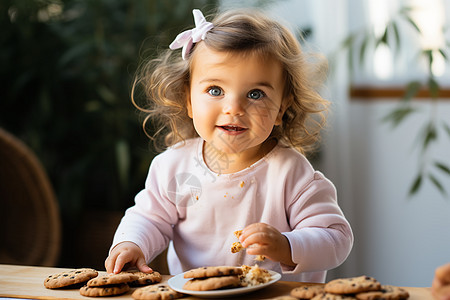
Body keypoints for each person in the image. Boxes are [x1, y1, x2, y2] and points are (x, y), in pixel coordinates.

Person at [105, 8, 353, 283]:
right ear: (188, 99)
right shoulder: (176, 167)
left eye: (255, 94)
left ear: (282, 107)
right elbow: (150, 218)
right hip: (198, 293)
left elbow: (336, 239)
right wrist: (131, 244)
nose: (234, 108)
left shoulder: (290, 173)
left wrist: (287, 246)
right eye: (215, 90)